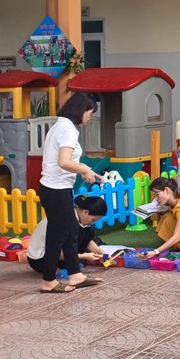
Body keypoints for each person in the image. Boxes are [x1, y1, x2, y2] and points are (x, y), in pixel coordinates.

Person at [37, 92, 104, 293]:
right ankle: (48, 280)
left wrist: (84, 170)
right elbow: (64, 162)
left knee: (70, 231)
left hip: (58, 187)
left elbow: (66, 162)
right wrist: (84, 170)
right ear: (81, 110)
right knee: (58, 235)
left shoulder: (63, 126)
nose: (89, 117)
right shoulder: (66, 129)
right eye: (90, 113)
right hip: (55, 189)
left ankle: (75, 274)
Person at [25, 194, 108, 273]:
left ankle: (71, 261)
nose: (92, 222)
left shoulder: (74, 214)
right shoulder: (65, 221)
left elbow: (86, 240)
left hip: (52, 253)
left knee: (88, 232)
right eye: (93, 220)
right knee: (82, 233)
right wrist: (84, 256)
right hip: (40, 260)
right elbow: (56, 251)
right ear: (85, 212)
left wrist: (99, 251)